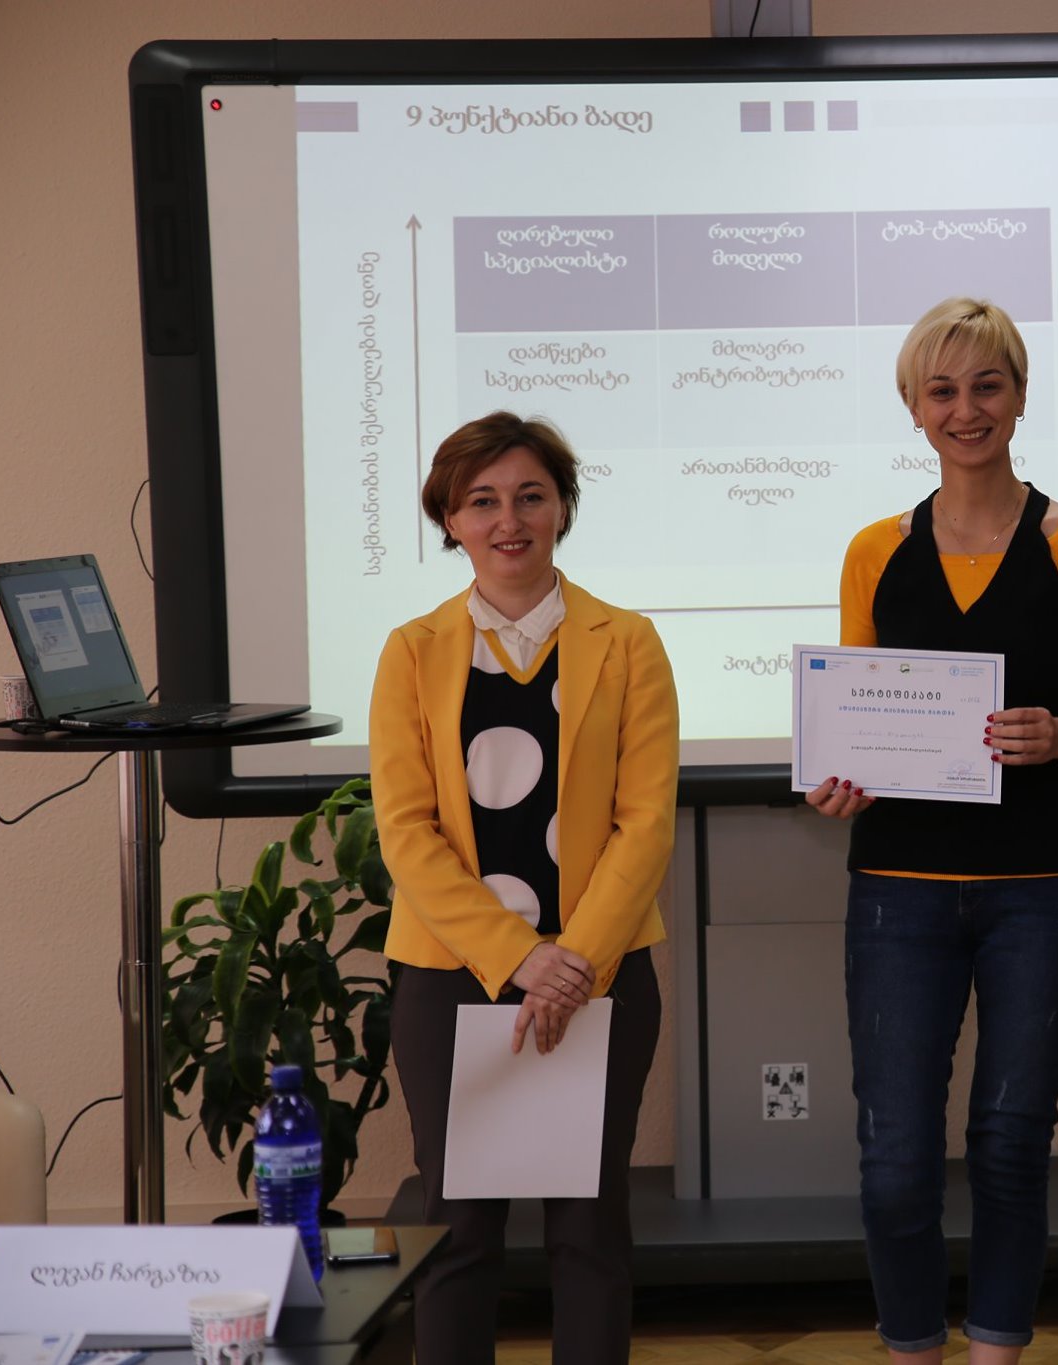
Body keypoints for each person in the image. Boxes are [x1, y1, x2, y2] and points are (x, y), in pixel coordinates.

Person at [806, 297, 1058, 1364]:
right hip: (897, 890)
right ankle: (912, 1349)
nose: (966, 409)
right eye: (942, 390)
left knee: (1008, 1146)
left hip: (1046, 891)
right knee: (894, 1160)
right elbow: (857, 716)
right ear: (913, 408)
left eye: (986, 385)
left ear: (1020, 396)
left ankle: (997, 1353)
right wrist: (841, 777)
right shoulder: (874, 550)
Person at [370, 411, 678, 1364]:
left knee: (590, 1231)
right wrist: (522, 959)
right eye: (483, 501)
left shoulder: (628, 642)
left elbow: (645, 823)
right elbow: (406, 832)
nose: (509, 520)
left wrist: (569, 963)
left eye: (531, 496)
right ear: (450, 519)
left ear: (562, 509)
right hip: (450, 977)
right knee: (458, 1234)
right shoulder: (412, 650)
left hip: (600, 973)